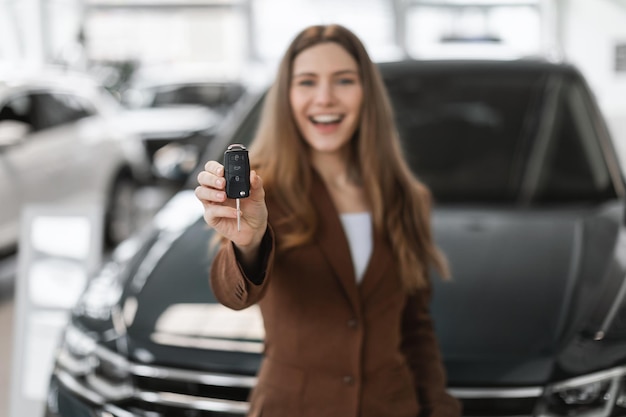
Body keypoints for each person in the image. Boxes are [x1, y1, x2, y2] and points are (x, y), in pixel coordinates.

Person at [195, 24, 461, 417]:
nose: (325, 98)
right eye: (307, 82)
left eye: (344, 80)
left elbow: (414, 326)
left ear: (366, 92)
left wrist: (439, 409)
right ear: (287, 96)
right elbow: (233, 295)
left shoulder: (407, 196)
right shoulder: (259, 191)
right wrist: (247, 243)